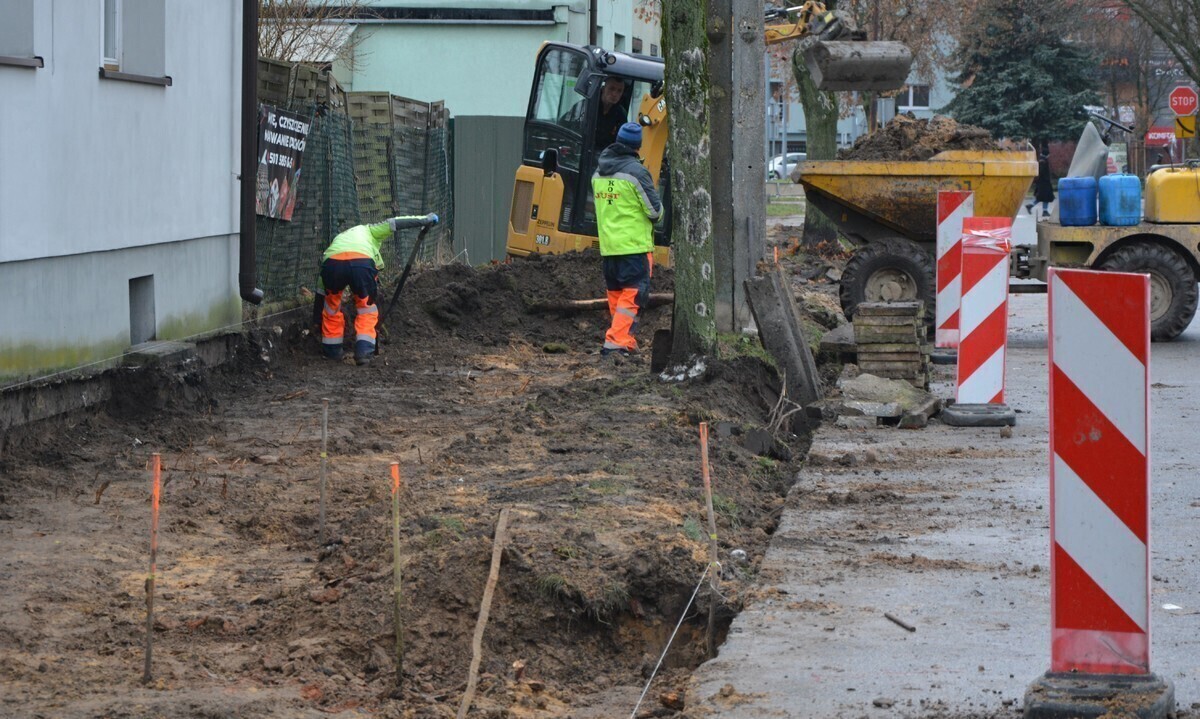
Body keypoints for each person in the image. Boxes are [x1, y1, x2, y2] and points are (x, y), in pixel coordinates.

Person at [317, 214, 437, 366]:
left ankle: (332, 351)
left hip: (331, 264)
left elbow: (321, 289)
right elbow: (395, 223)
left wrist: (316, 319)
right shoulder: (369, 230)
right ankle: (363, 352)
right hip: (362, 263)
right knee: (366, 308)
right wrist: (424, 219)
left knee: (331, 307)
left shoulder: (337, 242)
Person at [591, 122, 661, 358]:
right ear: (638, 146)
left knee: (617, 296)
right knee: (632, 296)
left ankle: (623, 340)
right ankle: (617, 341)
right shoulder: (637, 173)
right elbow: (655, 212)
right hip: (634, 247)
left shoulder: (598, 172)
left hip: (609, 248)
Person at [1033, 149, 1055, 218]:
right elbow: (1042, 172)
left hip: (1043, 183)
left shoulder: (1042, 160)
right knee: (1045, 197)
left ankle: (1032, 206)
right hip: (1044, 183)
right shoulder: (1043, 161)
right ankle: (1044, 211)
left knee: (1043, 197)